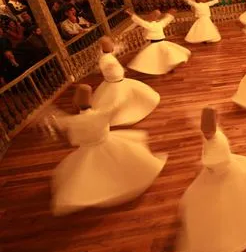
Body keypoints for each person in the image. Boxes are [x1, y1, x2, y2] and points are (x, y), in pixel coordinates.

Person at [177, 107, 246, 252]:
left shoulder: (219, 143)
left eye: (207, 132)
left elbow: (219, 164)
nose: (205, 135)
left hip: (221, 176)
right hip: (213, 174)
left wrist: (204, 164)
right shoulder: (210, 136)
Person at [50, 84, 167, 216]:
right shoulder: (102, 114)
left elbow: (68, 133)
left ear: (76, 102)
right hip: (109, 142)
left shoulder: (74, 121)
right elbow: (116, 107)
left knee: (90, 175)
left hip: (90, 150)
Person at [91, 36, 160, 127]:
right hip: (115, 83)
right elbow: (107, 66)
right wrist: (111, 67)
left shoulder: (107, 56)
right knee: (118, 99)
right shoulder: (105, 59)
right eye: (110, 45)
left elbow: (114, 53)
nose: (112, 46)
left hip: (118, 80)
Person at [126, 9, 191, 75]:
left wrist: (132, 14)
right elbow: (167, 19)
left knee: (158, 57)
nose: (151, 16)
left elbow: (140, 21)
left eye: (152, 15)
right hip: (158, 43)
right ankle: (165, 67)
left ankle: (163, 68)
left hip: (156, 44)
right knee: (164, 56)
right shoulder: (159, 23)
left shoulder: (150, 25)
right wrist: (170, 14)